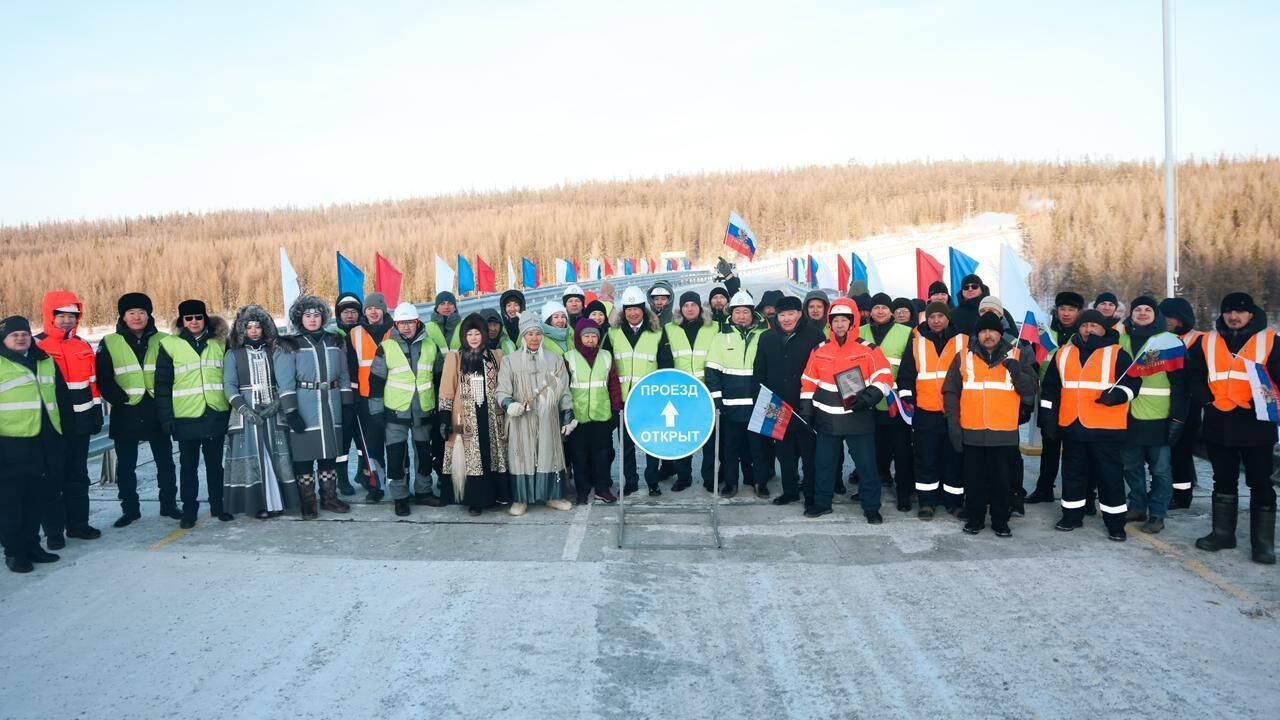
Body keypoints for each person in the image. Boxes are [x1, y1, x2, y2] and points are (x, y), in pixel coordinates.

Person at [1189, 292, 1277, 564]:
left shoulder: (1270, 341)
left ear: (1251, 314)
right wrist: (1206, 399)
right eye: (1228, 311)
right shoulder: (1207, 341)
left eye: (1239, 311)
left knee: (1260, 482)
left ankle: (1262, 544)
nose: (1233, 316)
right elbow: (1191, 375)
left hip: (1256, 423)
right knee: (1223, 479)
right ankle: (1223, 533)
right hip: (1219, 422)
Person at [1039, 309, 1139, 541]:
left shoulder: (1117, 353)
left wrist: (1117, 396)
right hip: (1072, 425)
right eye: (1084, 325)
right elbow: (1050, 389)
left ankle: (1115, 524)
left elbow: (1134, 384)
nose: (1088, 329)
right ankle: (1071, 516)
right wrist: (1048, 419)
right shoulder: (1063, 353)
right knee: (1073, 474)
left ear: (1104, 329)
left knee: (1109, 477)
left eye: (1094, 325)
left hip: (1106, 427)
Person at [943, 312, 1038, 535]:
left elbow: (1030, 389)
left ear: (1000, 333)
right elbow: (950, 391)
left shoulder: (1016, 355)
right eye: (983, 331)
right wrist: (953, 425)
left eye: (992, 331)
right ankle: (975, 519)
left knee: (1001, 483)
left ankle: (1000, 521)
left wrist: (1016, 371)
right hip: (972, 431)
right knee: (973, 482)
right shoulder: (963, 357)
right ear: (978, 334)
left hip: (1003, 433)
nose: (988, 335)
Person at [799, 297, 892, 522]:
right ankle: (822, 503)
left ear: (853, 322)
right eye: (836, 320)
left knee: (867, 465)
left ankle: (871, 507)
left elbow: (885, 376)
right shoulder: (819, 350)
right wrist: (806, 410)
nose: (840, 324)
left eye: (844, 320)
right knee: (824, 464)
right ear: (830, 323)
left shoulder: (868, 349)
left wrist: (870, 397)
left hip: (857, 417)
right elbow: (808, 380)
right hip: (827, 418)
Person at [96, 292, 180, 526]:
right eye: (131, 313)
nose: (137, 317)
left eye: (141, 312)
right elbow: (103, 378)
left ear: (149, 314)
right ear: (123, 316)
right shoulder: (109, 342)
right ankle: (130, 509)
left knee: (165, 462)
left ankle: (169, 504)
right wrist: (118, 398)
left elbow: (175, 373)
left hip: (156, 409)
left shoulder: (164, 339)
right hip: (126, 411)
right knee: (126, 466)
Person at [154, 299, 231, 529]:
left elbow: (230, 377)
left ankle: (219, 505)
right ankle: (189, 511)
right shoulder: (170, 345)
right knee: (188, 468)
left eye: (198, 317)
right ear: (182, 321)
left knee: (216, 466)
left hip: (215, 413)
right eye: (189, 318)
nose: (194, 322)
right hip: (186, 417)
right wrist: (166, 418)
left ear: (205, 319)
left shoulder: (220, 343)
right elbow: (162, 385)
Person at [34, 291, 103, 548]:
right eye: (61, 316)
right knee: (52, 478)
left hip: (80, 423)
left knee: (78, 475)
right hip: (51, 426)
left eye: (71, 317)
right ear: (50, 316)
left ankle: (78, 525)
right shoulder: (37, 346)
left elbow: (92, 383)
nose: (66, 321)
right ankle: (54, 532)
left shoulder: (83, 346)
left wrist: (96, 410)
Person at [276, 295, 354, 519]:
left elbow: (344, 374)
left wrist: (347, 403)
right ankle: (308, 500)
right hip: (305, 402)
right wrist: (290, 410)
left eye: (316, 315)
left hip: (331, 401)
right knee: (304, 455)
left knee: (329, 453)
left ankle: (329, 496)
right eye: (307, 315)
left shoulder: (335, 340)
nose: (312, 319)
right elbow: (285, 381)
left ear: (323, 318)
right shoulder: (289, 344)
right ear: (300, 318)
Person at [0, 316, 66, 573]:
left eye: (24, 333)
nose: (20, 337)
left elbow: (60, 398)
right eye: (13, 334)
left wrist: (63, 433)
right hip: (9, 445)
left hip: (43, 442)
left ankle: (33, 545)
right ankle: (15, 552)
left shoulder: (45, 361)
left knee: (34, 500)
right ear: (4, 339)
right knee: (10, 504)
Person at [1119, 296, 1188, 534]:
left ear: (1155, 314)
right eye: (1137, 309)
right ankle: (1137, 505)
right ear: (1131, 313)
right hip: (1127, 415)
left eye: (1148, 309)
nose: (1142, 313)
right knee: (1131, 466)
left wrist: (1178, 418)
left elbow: (1181, 384)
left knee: (1160, 470)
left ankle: (1158, 513)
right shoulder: (1121, 337)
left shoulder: (1169, 341)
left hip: (1159, 416)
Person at [222, 305, 297, 519]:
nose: (254, 331)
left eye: (258, 326)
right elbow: (229, 386)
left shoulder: (275, 351)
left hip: (273, 412)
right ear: (241, 330)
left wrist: (277, 404)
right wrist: (244, 409)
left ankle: (278, 502)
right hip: (246, 414)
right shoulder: (233, 354)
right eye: (249, 327)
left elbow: (284, 380)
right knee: (252, 457)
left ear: (265, 328)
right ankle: (257, 504)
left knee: (275, 454)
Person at [498, 311, 575, 516]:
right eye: (529, 334)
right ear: (523, 336)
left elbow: (564, 390)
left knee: (550, 454)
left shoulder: (555, 360)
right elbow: (502, 390)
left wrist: (568, 415)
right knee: (520, 457)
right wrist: (509, 404)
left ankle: (552, 496)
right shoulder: (509, 361)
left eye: (538, 334)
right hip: (520, 419)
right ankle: (520, 499)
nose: (534, 338)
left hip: (548, 418)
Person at [369, 302, 441, 517]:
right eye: (402, 323)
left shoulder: (430, 346)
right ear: (396, 324)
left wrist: (441, 409)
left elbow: (438, 379)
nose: (406, 327)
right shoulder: (386, 347)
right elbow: (375, 382)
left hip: (424, 410)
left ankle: (423, 491)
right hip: (395, 412)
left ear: (417, 322)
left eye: (410, 322)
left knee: (423, 454)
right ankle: (400, 497)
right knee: (396, 455)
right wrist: (376, 411)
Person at [897, 301, 966, 519]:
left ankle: (953, 502)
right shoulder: (917, 342)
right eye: (932, 316)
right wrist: (909, 404)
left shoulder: (963, 341)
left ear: (948, 318)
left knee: (954, 458)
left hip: (955, 412)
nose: (936, 320)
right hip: (925, 412)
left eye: (940, 316)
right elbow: (906, 376)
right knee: (926, 458)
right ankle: (927, 502)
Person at [754, 295, 823, 507]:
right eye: (782, 315)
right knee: (784, 452)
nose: (786, 319)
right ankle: (790, 490)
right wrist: (762, 399)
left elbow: (822, 371)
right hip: (775, 403)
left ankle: (811, 493)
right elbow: (759, 371)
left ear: (799, 314)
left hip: (805, 405)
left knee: (809, 453)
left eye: (791, 314)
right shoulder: (767, 338)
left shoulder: (814, 337)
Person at [438, 313, 508, 516]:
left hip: (491, 416)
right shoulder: (456, 357)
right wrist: (444, 416)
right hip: (464, 417)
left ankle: (494, 495)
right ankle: (474, 500)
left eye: (478, 333)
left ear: (484, 335)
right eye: (470, 334)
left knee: (491, 454)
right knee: (469, 457)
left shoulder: (496, 356)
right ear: (464, 336)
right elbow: (446, 389)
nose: (474, 338)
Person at [706, 291, 767, 498]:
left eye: (745, 312)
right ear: (731, 313)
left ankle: (760, 482)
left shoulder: (764, 335)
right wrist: (717, 400)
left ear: (752, 313)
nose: (741, 316)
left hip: (757, 402)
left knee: (758, 447)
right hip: (730, 404)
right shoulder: (721, 337)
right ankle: (731, 484)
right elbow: (712, 371)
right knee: (730, 448)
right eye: (737, 312)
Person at [1026, 291, 1084, 504]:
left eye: (1071, 309)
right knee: (1049, 446)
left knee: (1074, 451)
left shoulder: (1084, 335)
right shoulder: (1045, 334)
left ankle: (1078, 493)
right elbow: (1033, 361)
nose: (1066, 313)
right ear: (1056, 311)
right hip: (1049, 398)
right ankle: (1044, 489)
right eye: (1062, 309)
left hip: (1075, 400)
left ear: (1079, 312)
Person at [608, 286, 667, 496]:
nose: (632, 313)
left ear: (644, 309)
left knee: (651, 442)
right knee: (626, 446)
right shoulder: (613, 333)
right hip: (623, 399)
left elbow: (665, 366)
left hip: (649, 399)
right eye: (628, 309)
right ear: (623, 311)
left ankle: (653, 481)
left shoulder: (657, 332)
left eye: (636, 308)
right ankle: (630, 482)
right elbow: (607, 366)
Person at [859, 292, 915, 511]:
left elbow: (909, 367)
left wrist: (905, 396)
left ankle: (904, 494)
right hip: (866, 403)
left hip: (895, 403)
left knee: (901, 451)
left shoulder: (906, 332)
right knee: (869, 452)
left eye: (884, 307)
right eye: (876, 307)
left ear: (891, 311)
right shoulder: (860, 332)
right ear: (870, 311)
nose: (880, 311)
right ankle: (868, 489)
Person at [565, 318, 622, 504]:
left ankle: (602, 489)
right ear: (579, 338)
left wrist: (615, 409)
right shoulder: (569, 357)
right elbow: (564, 388)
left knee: (602, 455)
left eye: (594, 336)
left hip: (601, 415)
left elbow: (613, 384)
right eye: (586, 336)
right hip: (578, 417)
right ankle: (582, 491)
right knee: (579, 456)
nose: (590, 339)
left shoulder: (606, 356)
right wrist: (566, 413)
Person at [665, 291, 718, 491]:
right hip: (680, 392)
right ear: (681, 308)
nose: (689, 308)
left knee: (708, 439)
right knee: (682, 437)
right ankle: (683, 476)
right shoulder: (670, 329)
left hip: (706, 391)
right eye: (685, 305)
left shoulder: (713, 328)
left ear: (699, 307)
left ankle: (709, 478)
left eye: (693, 305)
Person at [346, 292, 392, 502]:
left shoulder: (394, 330)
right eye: (369, 308)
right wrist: (355, 396)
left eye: (377, 307)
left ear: (383, 309)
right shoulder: (354, 334)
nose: (373, 311)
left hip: (393, 395)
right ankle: (376, 486)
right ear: (364, 311)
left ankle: (402, 485)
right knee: (371, 446)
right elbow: (351, 367)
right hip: (365, 398)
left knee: (396, 444)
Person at [1160, 296, 1204, 509]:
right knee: (1165, 452)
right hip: (1164, 402)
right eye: (1164, 316)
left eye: (1171, 316)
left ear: (1182, 318)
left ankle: (1182, 494)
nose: (1167, 320)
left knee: (1181, 451)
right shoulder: (1159, 339)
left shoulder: (1199, 341)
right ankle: (1167, 489)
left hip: (1189, 405)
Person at [331, 292, 363, 496]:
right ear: (339, 315)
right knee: (343, 441)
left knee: (364, 441)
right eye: (346, 312)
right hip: (341, 396)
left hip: (363, 395)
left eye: (353, 311)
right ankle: (342, 479)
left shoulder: (364, 334)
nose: (350, 315)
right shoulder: (332, 336)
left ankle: (364, 474)